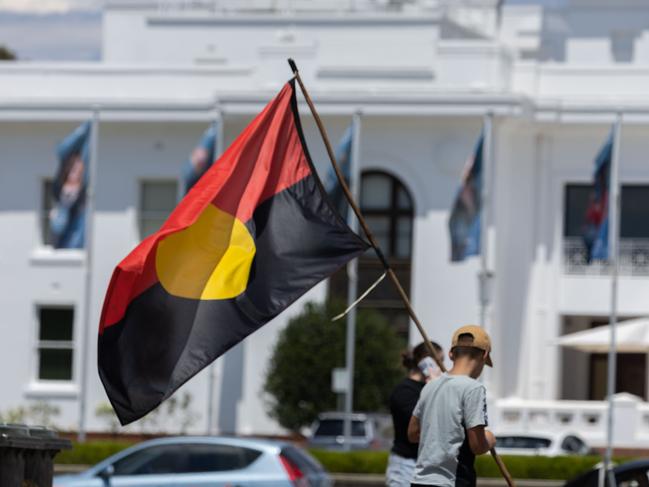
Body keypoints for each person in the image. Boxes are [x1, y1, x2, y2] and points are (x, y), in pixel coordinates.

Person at [407, 325, 495, 487]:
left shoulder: (430, 386)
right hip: (452, 481)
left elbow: (413, 434)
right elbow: (477, 445)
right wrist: (489, 439)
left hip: (419, 481)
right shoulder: (473, 388)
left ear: (451, 354)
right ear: (484, 355)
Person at [385, 341, 444, 487]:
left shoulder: (430, 388)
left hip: (427, 467)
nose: (443, 367)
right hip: (406, 467)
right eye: (440, 361)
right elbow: (422, 426)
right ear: (427, 362)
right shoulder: (405, 391)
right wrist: (433, 389)